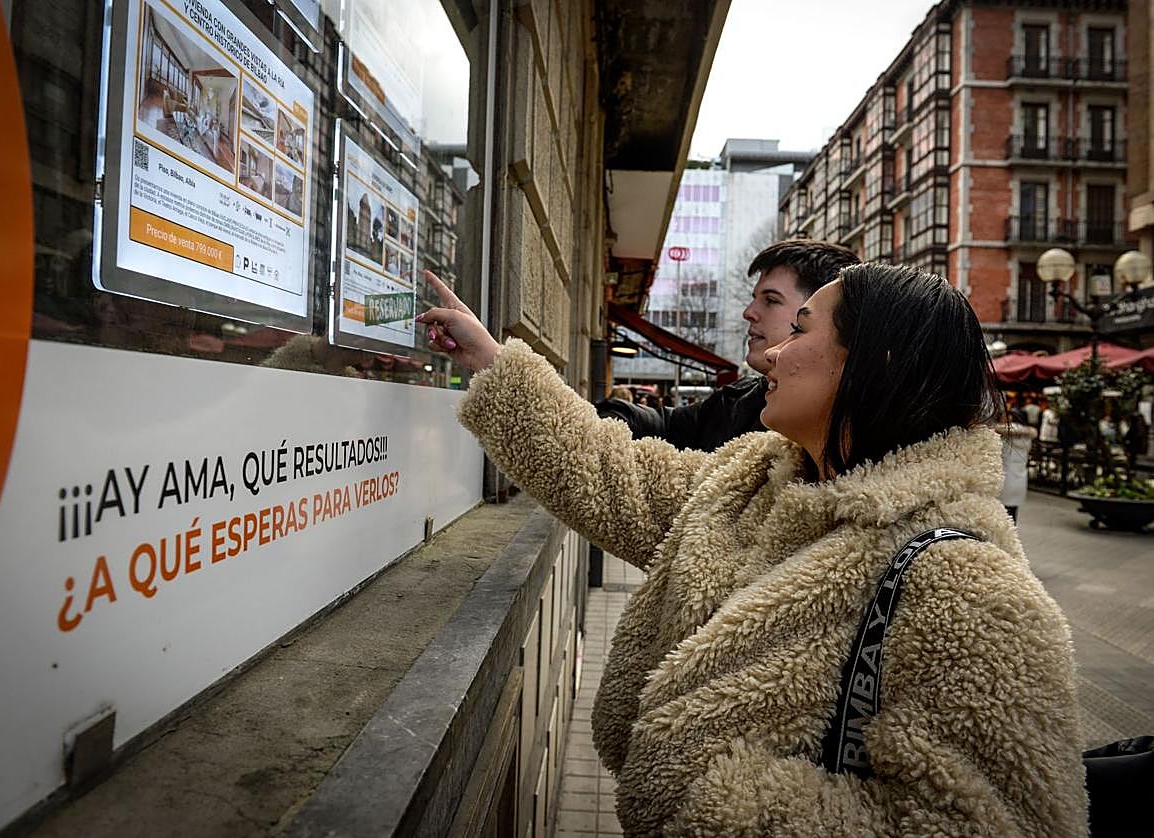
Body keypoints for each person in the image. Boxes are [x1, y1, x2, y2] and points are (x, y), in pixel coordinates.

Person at [418, 266, 1086, 835]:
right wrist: (492, 363)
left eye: (799, 330)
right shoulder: (753, 484)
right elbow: (613, 476)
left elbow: (991, 824)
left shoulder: (973, 590)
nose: (768, 356)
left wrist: (701, 792)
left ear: (874, 363)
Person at [596, 239, 858, 452]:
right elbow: (662, 423)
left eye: (771, 300)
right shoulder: (738, 401)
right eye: (755, 298)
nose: (749, 312)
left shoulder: (857, 433)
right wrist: (597, 427)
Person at [997, 420, 1037, 521]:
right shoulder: (1027, 437)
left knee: (1002, 510)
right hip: (1020, 477)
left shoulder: (1006, 434)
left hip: (1006, 475)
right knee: (1013, 510)